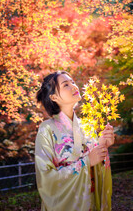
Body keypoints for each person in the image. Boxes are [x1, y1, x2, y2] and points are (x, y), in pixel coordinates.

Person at [35, 71, 114, 211]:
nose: (73, 86)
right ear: (53, 97)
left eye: (72, 82)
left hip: (91, 202)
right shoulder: (46, 129)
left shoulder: (87, 126)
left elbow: (97, 163)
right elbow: (46, 178)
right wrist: (87, 161)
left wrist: (103, 145)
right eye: (66, 84)